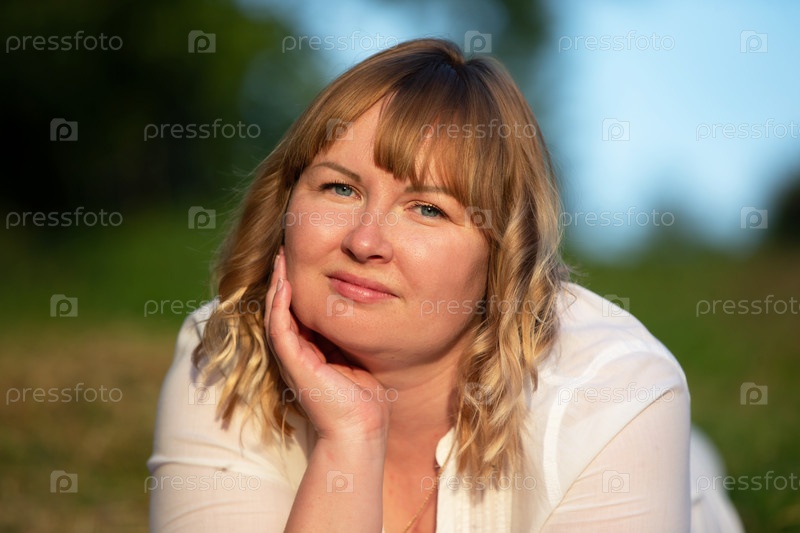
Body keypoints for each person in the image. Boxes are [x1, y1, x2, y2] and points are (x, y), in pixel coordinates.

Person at [147, 38, 742, 532]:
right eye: (339, 188)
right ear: (285, 206)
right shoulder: (221, 355)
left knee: (688, 462)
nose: (364, 240)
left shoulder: (617, 395)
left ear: (502, 258)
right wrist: (351, 438)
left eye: (428, 209)